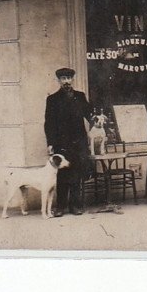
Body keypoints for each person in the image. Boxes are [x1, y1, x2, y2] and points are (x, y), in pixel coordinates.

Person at [44, 67, 93, 215]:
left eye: (69, 78)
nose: (66, 81)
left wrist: (97, 124)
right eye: (63, 79)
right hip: (61, 143)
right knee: (63, 175)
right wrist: (50, 143)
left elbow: (89, 115)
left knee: (77, 175)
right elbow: (49, 123)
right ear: (58, 81)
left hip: (79, 142)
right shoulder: (52, 99)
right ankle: (60, 207)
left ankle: (75, 206)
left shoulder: (80, 96)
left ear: (73, 79)